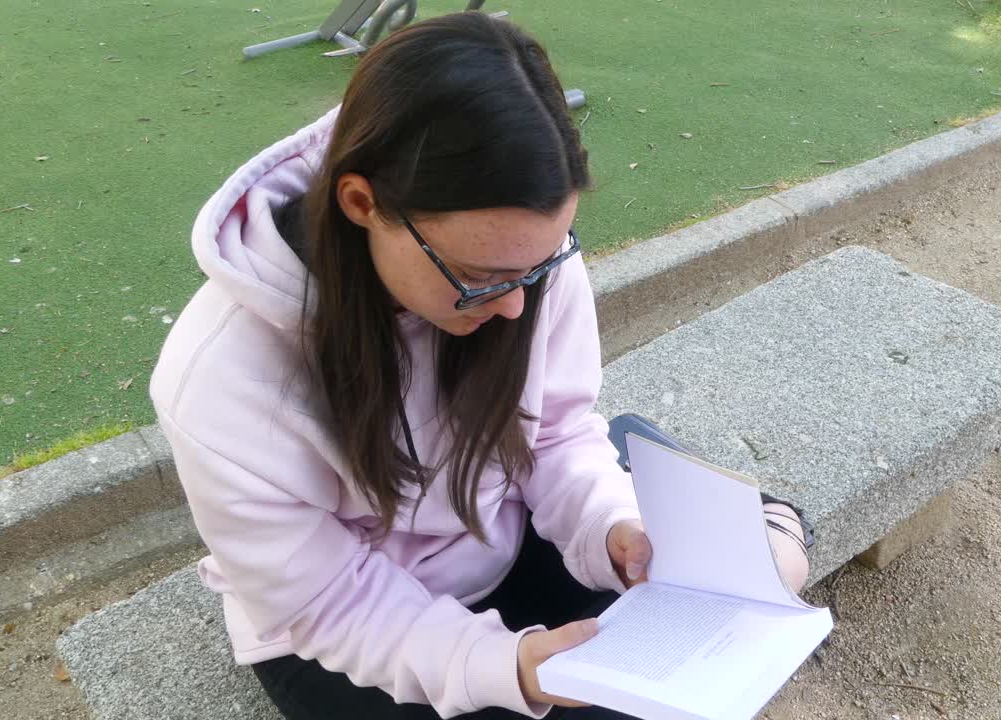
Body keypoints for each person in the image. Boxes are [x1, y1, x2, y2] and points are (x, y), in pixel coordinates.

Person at [150, 12, 809, 720]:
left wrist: (612, 530)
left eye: (540, 265)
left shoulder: (520, 263)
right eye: (479, 276)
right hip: (341, 626)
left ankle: (759, 530)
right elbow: (327, 601)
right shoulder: (220, 377)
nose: (517, 309)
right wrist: (507, 669)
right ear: (361, 203)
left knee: (714, 588)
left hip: (502, 534)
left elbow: (553, 433)